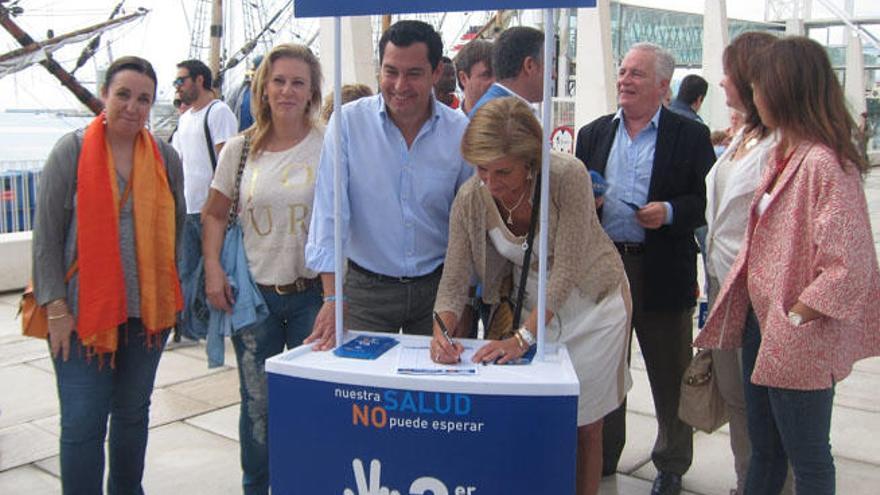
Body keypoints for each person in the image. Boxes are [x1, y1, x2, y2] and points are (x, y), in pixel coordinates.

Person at [696, 36, 880, 495]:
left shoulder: (824, 163)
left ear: (784, 91)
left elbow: (849, 266)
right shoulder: (786, 155)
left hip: (795, 336)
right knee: (766, 451)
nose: (754, 96)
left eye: (760, 87)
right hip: (766, 326)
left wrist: (796, 315)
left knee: (807, 457)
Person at [431, 97, 631, 495]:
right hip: (532, 312)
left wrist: (523, 337)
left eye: (503, 171)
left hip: (593, 305)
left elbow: (570, 265)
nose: (491, 182)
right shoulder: (471, 198)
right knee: (537, 420)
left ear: (530, 161)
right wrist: (442, 331)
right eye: (481, 169)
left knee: (585, 425)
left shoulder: (566, 175)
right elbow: (454, 277)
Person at [32, 55, 186, 494]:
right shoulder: (72, 150)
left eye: (144, 99)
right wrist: (56, 309)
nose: (133, 107)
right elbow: (46, 238)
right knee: (82, 421)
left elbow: (175, 233)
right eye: (123, 94)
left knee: (133, 414)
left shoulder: (166, 157)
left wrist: (170, 300)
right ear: (105, 94)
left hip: (145, 314)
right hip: (82, 316)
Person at [575, 42, 715, 495]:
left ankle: (671, 462)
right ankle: (603, 455)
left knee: (670, 373)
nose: (624, 81)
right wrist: (588, 201)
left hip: (661, 271)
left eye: (636, 74)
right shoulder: (594, 133)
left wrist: (670, 212)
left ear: (662, 85)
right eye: (622, 71)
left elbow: (703, 202)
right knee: (604, 369)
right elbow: (572, 200)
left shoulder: (690, 136)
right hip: (605, 270)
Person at [201, 43, 324, 495]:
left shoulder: (328, 144)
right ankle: (257, 487)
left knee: (311, 404)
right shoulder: (240, 149)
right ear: (263, 87)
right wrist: (213, 268)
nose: (287, 90)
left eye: (298, 82)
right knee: (257, 405)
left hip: (313, 296)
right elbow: (214, 213)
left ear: (311, 91)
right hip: (255, 297)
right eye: (279, 81)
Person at [304, 20, 472, 348]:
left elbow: (466, 224)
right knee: (359, 393)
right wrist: (332, 298)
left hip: (438, 292)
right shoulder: (348, 123)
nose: (399, 85)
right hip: (366, 293)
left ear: (436, 72)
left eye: (413, 73)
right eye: (390, 71)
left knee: (432, 392)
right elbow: (329, 214)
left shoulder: (459, 131)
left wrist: (463, 301)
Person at [703, 31, 779, 495]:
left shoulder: (785, 141)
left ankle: (773, 485)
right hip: (722, 283)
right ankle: (745, 482)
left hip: (758, 291)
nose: (722, 81)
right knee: (735, 398)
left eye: (729, 72)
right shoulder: (744, 136)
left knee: (765, 406)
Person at [172, 59, 238, 338]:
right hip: (188, 207)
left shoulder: (218, 112)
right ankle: (192, 327)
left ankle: (218, 324)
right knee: (188, 271)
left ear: (199, 80)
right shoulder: (185, 119)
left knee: (217, 270)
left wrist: (214, 204)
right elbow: (178, 163)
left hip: (211, 210)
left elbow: (228, 162)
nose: (177, 87)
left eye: (181, 81)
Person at [469, 26, 544, 116]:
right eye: (549, 66)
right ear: (529, 66)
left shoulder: (493, 109)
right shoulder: (502, 117)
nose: (554, 75)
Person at [452, 39, 494, 116]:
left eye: (498, 74)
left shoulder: (516, 123)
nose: (495, 82)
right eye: (487, 75)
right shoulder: (448, 126)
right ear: (463, 78)